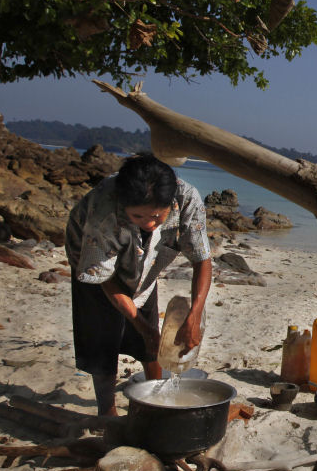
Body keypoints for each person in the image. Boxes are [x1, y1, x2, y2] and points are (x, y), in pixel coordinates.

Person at [65, 153, 212, 415]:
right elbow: (106, 280)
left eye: (157, 216)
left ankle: (154, 393)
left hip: (146, 258)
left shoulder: (187, 199)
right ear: (124, 206)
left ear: (171, 203)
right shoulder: (103, 212)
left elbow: (202, 259)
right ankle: (107, 410)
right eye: (138, 216)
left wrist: (195, 314)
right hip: (93, 258)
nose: (149, 223)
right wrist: (141, 327)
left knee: (150, 322)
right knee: (102, 333)